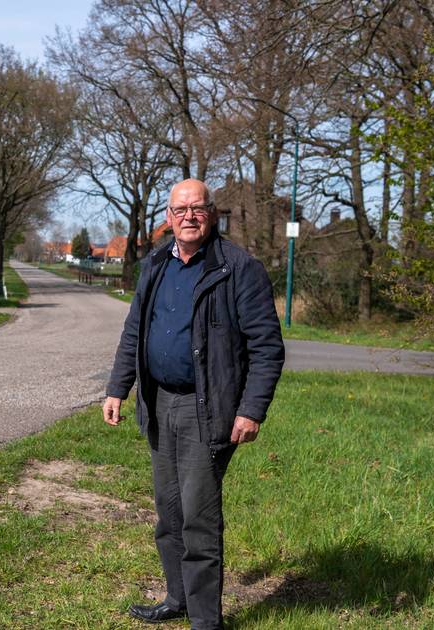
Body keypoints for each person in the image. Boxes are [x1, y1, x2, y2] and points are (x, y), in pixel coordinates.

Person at [103, 179, 284, 629]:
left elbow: (267, 347)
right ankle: (177, 598)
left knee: (198, 519)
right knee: (169, 513)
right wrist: (117, 387)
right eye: (180, 209)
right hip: (159, 402)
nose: (189, 217)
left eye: (198, 208)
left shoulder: (239, 268)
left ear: (213, 214)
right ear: (167, 217)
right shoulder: (157, 262)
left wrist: (251, 409)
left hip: (208, 408)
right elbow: (134, 331)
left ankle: (206, 622)